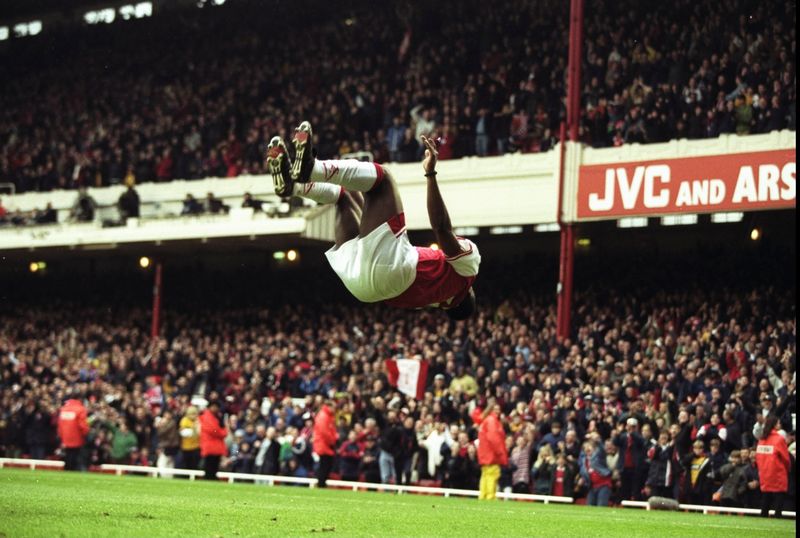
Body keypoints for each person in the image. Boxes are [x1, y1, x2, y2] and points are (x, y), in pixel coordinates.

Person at [267, 122, 480, 319]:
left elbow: (442, 228)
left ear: (469, 292)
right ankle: (294, 186)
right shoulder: (427, 301)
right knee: (345, 195)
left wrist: (430, 173)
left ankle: (311, 169)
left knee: (383, 180)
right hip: (361, 288)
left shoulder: (467, 274)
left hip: (393, 272)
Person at [755, 415, 791, 517]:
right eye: (778, 423)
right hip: (777, 472)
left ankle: (763, 517)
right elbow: (785, 458)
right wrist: (787, 469)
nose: (780, 425)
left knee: (766, 497)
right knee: (779, 497)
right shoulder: (779, 439)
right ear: (774, 425)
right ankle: (777, 516)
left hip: (764, 472)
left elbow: (758, 457)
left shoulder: (762, 439)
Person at [477, 399, 507, 500]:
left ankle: (483, 496)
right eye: (495, 409)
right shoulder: (492, 421)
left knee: (485, 475)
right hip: (492, 454)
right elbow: (494, 438)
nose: (498, 411)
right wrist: (500, 453)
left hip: (485, 453)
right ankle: (490, 497)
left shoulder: (486, 420)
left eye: (499, 409)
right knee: (492, 474)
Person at [579, 432, 613, 507]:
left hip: (604, 484)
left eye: (589, 447)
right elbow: (583, 472)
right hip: (592, 486)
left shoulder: (599, 456)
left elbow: (602, 449)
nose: (587, 448)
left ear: (594, 448)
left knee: (601, 506)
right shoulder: (584, 460)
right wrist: (583, 478)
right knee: (589, 506)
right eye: (585, 448)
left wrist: (597, 440)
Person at [57, 394, 89, 471]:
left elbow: (60, 425)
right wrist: (86, 433)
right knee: (75, 457)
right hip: (77, 438)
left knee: (67, 456)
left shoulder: (63, 409)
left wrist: (61, 437)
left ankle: (67, 470)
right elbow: (82, 425)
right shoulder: (80, 409)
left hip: (65, 438)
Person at [312, 398, 338, 487]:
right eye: (334, 407)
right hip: (323, 444)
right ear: (329, 406)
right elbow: (325, 432)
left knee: (325, 464)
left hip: (324, 444)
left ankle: (321, 483)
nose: (335, 409)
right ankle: (321, 483)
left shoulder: (327, 416)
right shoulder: (324, 416)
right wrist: (332, 441)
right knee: (325, 465)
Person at [199, 401, 227, 479]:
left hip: (214, 445)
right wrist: (223, 432)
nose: (215, 408)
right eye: (213, 406)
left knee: (214, 465)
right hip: (210, 445)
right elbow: (213, 430)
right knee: (210, 465)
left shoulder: (215, 417)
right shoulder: (207, 417)